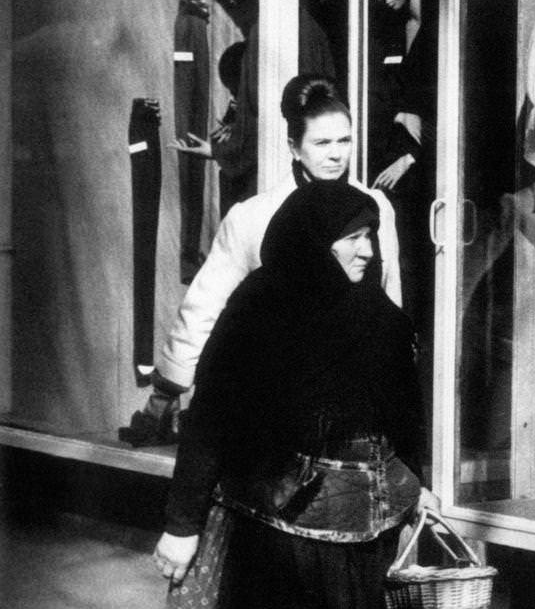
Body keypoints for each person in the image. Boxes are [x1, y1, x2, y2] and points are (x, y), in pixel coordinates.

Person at [152, 179, 429, 609]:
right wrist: (181, 523)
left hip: (359, 514)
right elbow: (211, 417)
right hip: (274, 512)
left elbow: (405, 418)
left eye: (371, 235)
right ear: (314, 239)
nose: (367, 249)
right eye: (352, 236)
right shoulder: (260, 308)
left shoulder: (383, 320)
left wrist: (416, 486)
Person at [122, 76, 401, 445]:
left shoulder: (376, 208)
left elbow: (390, 302)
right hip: (277, 401)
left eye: (344, 140)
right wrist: (166, 392)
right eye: (322, 143)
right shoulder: (253, 217)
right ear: (294, 147)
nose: (336, 154)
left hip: (355, 402)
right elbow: (204, 306)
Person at [178, 0, 337, 213]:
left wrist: (221, 151)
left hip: (278, 179)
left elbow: (260, 116)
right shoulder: (298, 24)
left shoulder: (269, 31)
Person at [366, 0, 437, 326]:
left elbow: (455, 108)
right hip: (403, 167)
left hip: (433, 168)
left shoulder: (441, 24)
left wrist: (412, 156)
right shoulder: (392, 28)